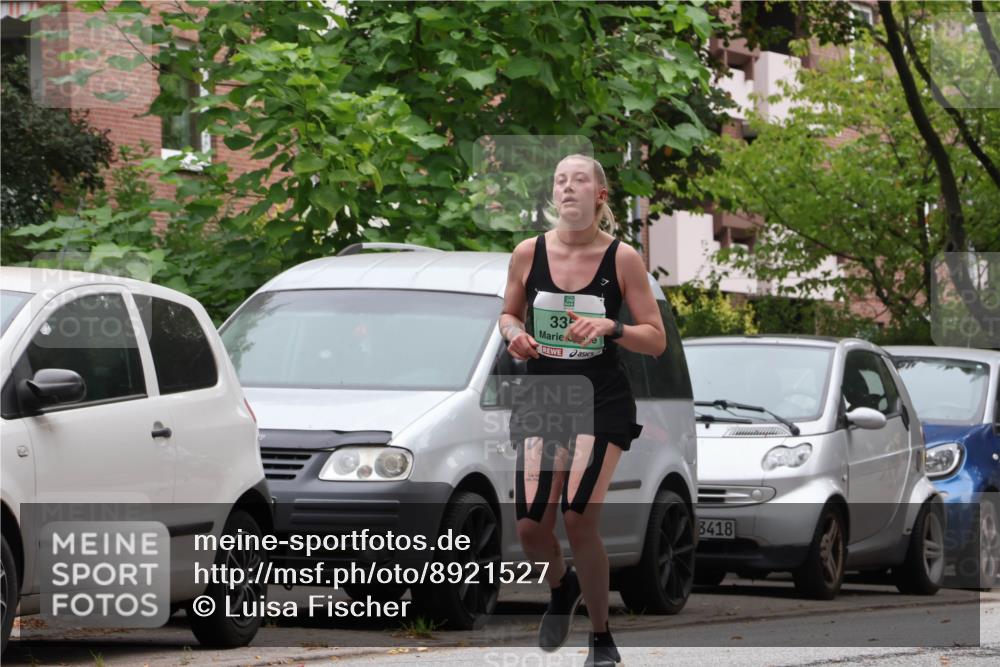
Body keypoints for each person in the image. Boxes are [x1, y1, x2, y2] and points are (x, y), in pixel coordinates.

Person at [498, 154, 667, 667]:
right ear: (554, 194)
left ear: (600, 195)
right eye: (560, 180)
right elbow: (507, 315)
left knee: (577, 516)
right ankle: (561, 585)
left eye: (579, 180)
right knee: (530, 526)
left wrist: (613, 327)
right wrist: (514, 335)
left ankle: (601, 637)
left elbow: (655, 339)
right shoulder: (528, 253)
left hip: (600, 399)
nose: (568, 187)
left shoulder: (622, 259)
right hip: (545, 399)